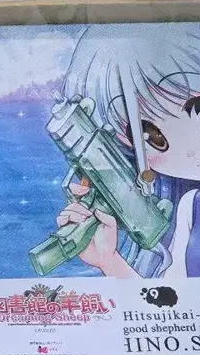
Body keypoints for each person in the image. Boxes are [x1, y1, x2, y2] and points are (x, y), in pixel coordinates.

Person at [55, 23, 200, 278]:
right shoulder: (191, 206)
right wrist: (108, 261)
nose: (190, 151)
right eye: (153, 139)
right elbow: (169, 297)